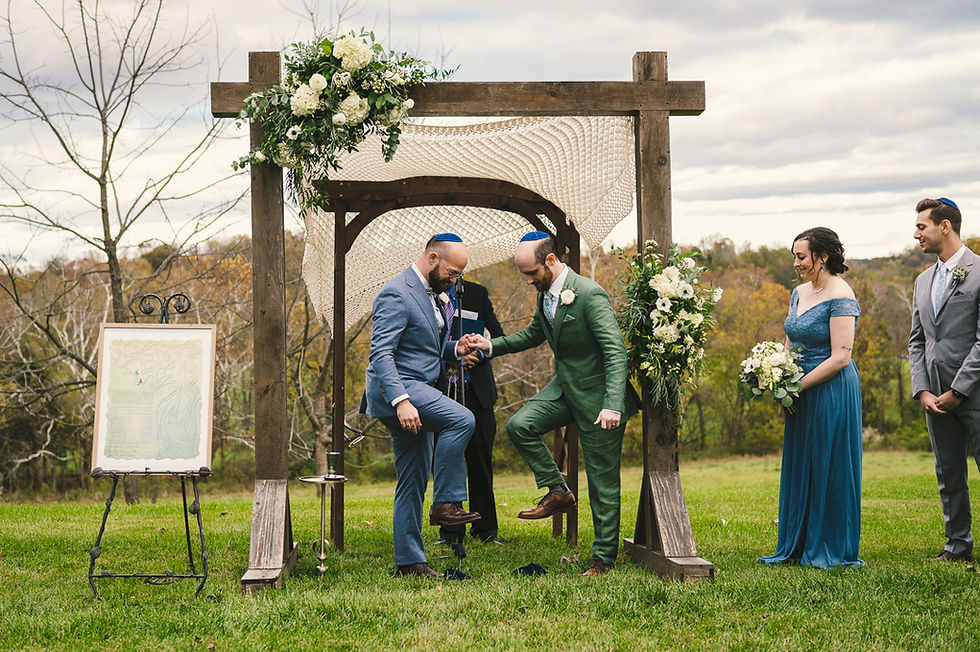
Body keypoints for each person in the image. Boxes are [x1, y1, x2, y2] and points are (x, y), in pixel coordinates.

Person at [466, 231, 639, 577]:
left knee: (603, 484)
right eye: (523, 275)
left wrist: (612, 405)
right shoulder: (546, 294)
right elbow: (533, 334)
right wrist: (490, 347)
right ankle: (558, 490)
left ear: (550, 261)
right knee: (520, 425)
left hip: (599, 398)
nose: (528, 281)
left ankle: (602, 560)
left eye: (531, 273)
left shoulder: (589, 294)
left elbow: (614, 351)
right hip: (564, 388)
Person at [361, 233, 481, 579]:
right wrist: (401, 402)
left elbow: (425, 346)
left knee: (412, 478)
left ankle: (410, 562)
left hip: (418, 387)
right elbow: (382, 354)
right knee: (461, 419)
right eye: (453, 271)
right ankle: (446, 503)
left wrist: (456, 348)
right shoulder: (396, 293)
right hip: (399, 389)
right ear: (432, 258)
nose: (455, 279)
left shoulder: (430, 295)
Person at [760, 226, 864, 568]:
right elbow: (790, 339)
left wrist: (798, 385)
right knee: (803, 461)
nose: (796, 263)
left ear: (822, 257)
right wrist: (776, 371)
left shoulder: (841, 294)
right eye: (794, 256)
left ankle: (830, 545)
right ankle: (799, 541)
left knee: (828, 463)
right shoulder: (800, 292)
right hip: (798, 389)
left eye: (801, 257)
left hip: (831, 388)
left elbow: (841, 357)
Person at [909, 197, 980, 563]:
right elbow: (917, 340)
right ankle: (957, 545)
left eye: (922, 226)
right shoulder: (922, 281)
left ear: (945, 226)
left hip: (974, 393)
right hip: (934, 397)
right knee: (948, 474)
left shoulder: (978, 271)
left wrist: (959, 389)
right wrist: (923, 389)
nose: (916, 233)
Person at [437, 279, 506, 546]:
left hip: (478, 392)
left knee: (480, 460)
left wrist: (481, 353)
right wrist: (452, 356)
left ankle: (485, 530)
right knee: (448, 459)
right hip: (444, 391)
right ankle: (450, 533)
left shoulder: (477, 293)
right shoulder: (429, 295)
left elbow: (498, 336)